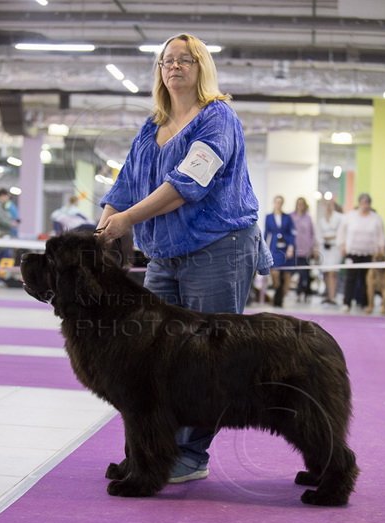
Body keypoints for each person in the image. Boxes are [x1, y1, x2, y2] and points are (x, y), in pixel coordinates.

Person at [96, 33, 273, 483]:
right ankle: (152, 452)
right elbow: (122, 189)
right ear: (159, 70)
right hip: (163, 257)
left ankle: (191, 456)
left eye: (185, 60)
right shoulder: (148, 128)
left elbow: (185, 187)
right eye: (167, 60)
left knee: (207, 361)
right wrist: (103, 227)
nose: (174, 66)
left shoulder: (218, 120)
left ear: (201, 68)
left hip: (219, 251)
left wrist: (126, 221)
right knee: (148, 357)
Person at [337, 193, 385, 312]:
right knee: (350, 278)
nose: (365, 205)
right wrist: (342, 246)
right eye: (363, 203)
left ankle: (365, 303)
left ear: (370, 204)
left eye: (367, 203)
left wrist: (381, 249)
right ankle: (347, 303)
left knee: (367, 280)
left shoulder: (376, 218)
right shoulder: (350, 216)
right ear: (359, 203)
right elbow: (341, 232)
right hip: (352, 252)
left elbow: (381, 236)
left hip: (370, 253)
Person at [264, 195, 295, 307]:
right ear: (274, 203)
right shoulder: (268, 217)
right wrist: (264, 249)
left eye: (280, 202)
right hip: (274, 248)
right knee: (275, 273)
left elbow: (291, 233)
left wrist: (291, 247)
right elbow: (266, 233)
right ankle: (277, 294)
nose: (278, 204)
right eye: (277, 202)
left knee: (286, 275)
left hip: (285, 248)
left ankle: (280, 299)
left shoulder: (287, 217)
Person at [291, 196, 317, 302]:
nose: (300, 206)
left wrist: (313, 247)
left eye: (302, 204)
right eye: (299, 203)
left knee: (304, 273)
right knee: (293, 272)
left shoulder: (308, 218)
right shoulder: (291, 217)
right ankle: (299, 291)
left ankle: (302, 292)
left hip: (305, 250)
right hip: (293, 249)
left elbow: (312, 234)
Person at [317, 198, 343, 305]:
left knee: (333, 273)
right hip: (324, 248)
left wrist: (331, 237)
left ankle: (333, 296)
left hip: (335, 248)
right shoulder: (322, 219)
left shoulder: (339, 217)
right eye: (326, 205)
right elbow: (318, 234)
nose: (328, 207)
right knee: (326, 273)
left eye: (330, 205)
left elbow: (341, 232)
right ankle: (327, 295)